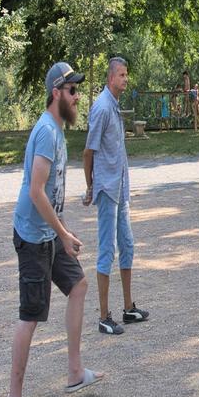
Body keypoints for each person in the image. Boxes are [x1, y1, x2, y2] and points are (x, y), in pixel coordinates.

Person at [4, 62, 103, 397]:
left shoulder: (58, 132)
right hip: (33, 239)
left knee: (78, 284)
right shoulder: (46, 132)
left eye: (78, 91)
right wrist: (62, 233)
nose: (78, 97)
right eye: (73, 91)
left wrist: (62, 229)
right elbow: (34, 190)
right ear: (56, 93)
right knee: (30, 317)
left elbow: (49, 193)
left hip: (49, 234)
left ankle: (75, 370)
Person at [83, 57, 149, 335]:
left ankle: (127, 308)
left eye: (126, 74)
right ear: (111, 78)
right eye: (122, 75)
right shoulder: (101, 108)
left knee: (127, 244)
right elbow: (88, 152)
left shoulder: (114, 106)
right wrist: (89, 186)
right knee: (106, 250)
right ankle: (104, 316)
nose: (125, 79)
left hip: (120, 188)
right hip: (107, 189)